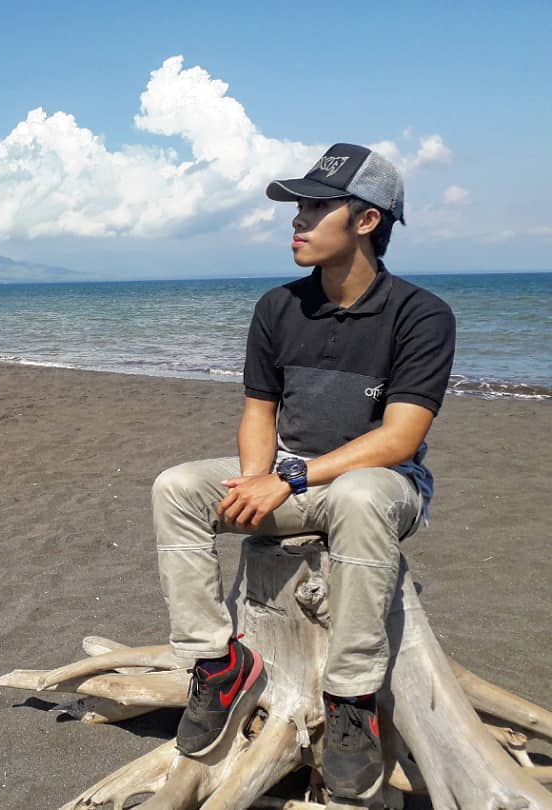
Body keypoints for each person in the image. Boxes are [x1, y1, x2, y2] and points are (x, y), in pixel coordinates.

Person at [152, 143, 455, 801]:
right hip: (293, 476)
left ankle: (350, 702)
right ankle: (218, 663)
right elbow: (258, 412)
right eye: (298, 207)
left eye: (316, 207)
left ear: (367, 220)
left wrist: (285, 482)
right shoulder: (278, 308)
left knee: (364, 497)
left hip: (382, 485)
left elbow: (400, 437)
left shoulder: (421, 315)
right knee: (177, 486)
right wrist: (257, 479)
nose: (297, 220)